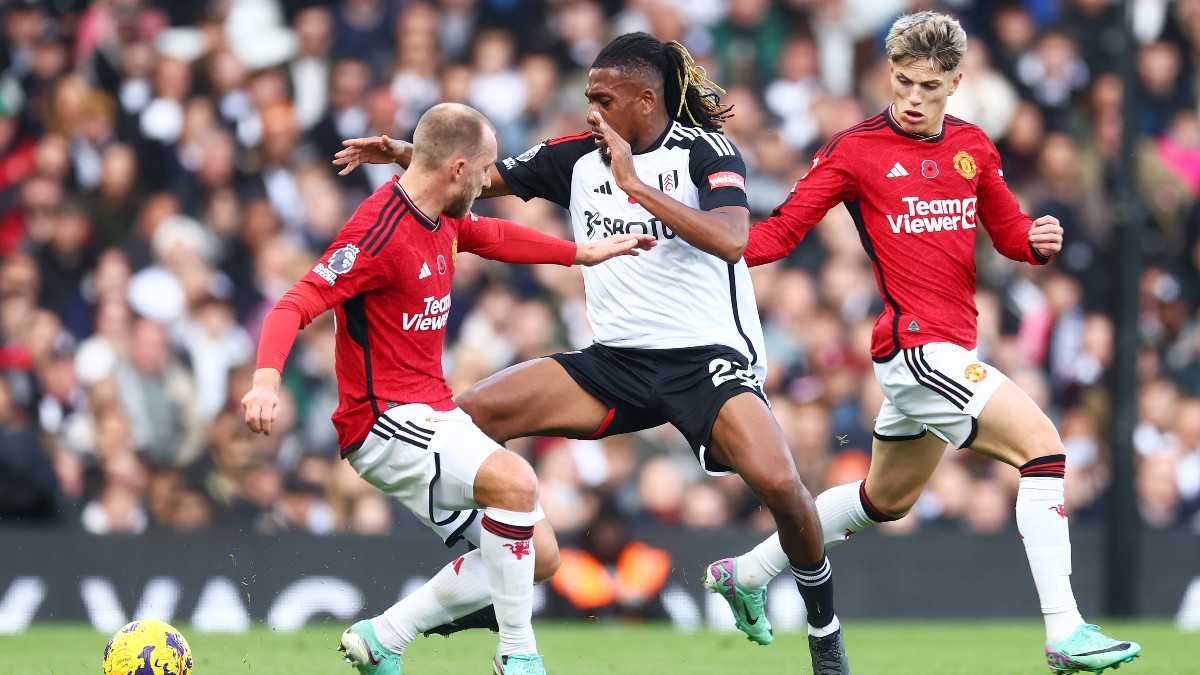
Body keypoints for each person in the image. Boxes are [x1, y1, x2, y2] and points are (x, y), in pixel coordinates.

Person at [335, 32, 850, 675]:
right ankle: (494, 575)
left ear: (645, 100)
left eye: (604, 100)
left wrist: (634, 184)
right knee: (466, 421)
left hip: (706, 362)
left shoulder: (706, 151)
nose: (591, 111)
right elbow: (479, 177)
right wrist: (410, 155)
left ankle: (824, 635)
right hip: (617, 362)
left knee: (782, 487)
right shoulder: (576, 157)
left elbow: (732, 239)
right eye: (589, 97)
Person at [716, 12, 1141, 675]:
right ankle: (1066, 629)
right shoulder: (854, 150)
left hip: (944, 352)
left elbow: (1008, 232)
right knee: (1045, 448)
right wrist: (703, 243)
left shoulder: (973, 146)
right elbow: (779, 233)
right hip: (916, 349)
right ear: (889, 73)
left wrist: (1035, 240)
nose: (913, 98)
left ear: (956, 84)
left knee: (882, 500)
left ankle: (746, 571)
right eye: (904, 82)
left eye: (930, 86)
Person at [242, 102, 653, 675]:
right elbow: (297, 302)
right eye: (484, 171)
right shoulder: (379, 231)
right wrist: (266, 381)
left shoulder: (444, 210)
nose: (488, 182)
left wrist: (579, 253)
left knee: (539, 556)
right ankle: (518, 654)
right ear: (457, 169)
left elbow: (494, 234)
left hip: (432, 409)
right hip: (382, 420)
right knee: (517, 481)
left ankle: (384, 636)